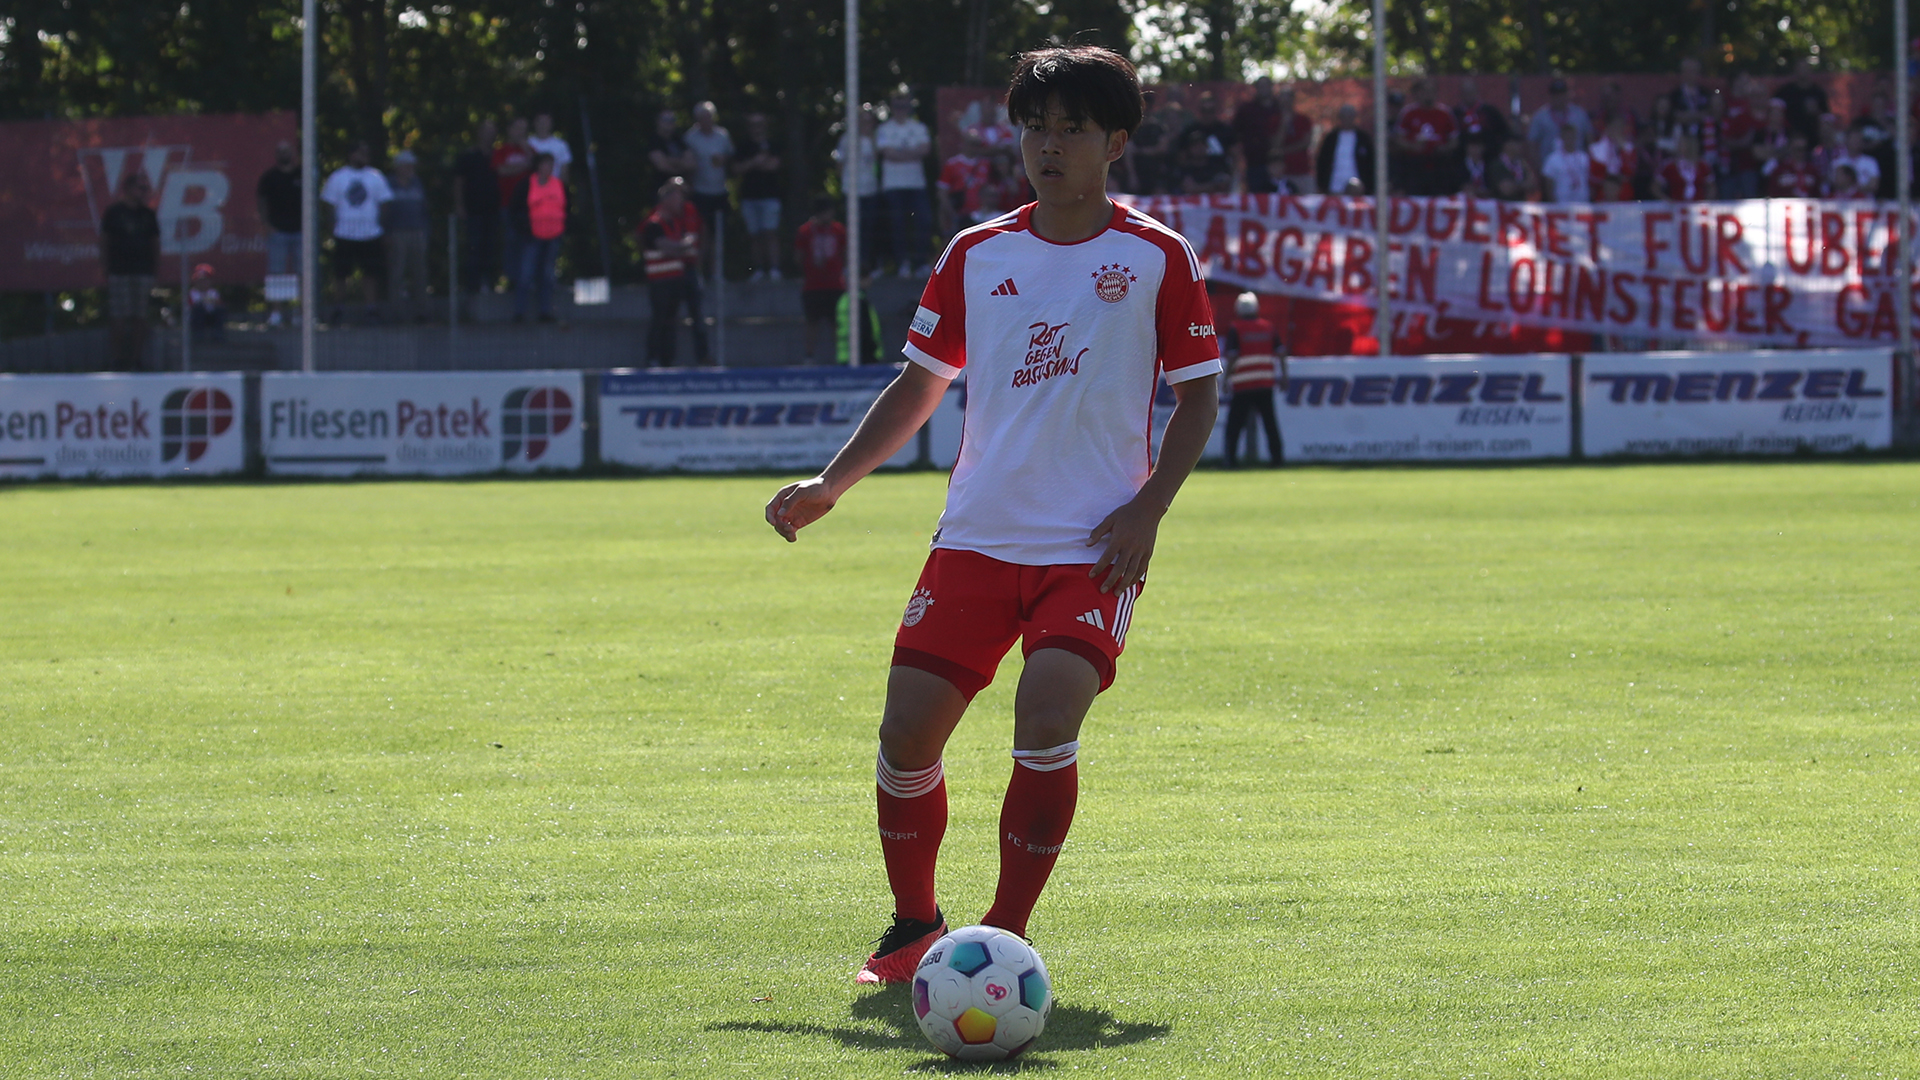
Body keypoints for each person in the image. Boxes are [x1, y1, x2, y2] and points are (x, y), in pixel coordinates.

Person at [763, 43, 1221, 984]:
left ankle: (1001, 940)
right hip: (975, 538)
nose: (1048, 147)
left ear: (1115, 144)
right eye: (1034, 129)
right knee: (905, 736)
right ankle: (912, 925)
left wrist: (1148, 511)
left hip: (1092, 547)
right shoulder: (977, 253)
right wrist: (830, 485)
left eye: (1072, 130)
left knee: (1047, 712)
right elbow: (917, 387)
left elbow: (1201, 395)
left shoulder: (1155, 257)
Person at [319, 141, 393, 323]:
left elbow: (385, 203)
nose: (364, 157)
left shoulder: (376, 176)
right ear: (351, 155)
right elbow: (329, 204)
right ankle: (338, 309)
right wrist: (333, 229)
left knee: (370, 273)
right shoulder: (338, 177)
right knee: (341, 274)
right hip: (344, 234)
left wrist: (381, 227)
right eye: (361, 153)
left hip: (371, 234)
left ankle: (371, 309)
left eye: (367, 154)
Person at [641, 178, 708, 366]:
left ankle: (667, 360)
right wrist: (684, 246)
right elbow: (666, 247)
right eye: (678, 198)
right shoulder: (654, 224)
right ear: (667, 200)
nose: (681, 203)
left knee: (671, 322)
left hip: (674, 280)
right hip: (660, 282)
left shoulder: (675, 224)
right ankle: (652, 357)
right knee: (659, 320)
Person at [100, 172, 159, 370]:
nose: (145, 193)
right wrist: (106, 267)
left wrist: (155, 270)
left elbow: (155, 243)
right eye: (141, 188)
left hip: (142, 272)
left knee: (140, 316)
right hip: (119, 271)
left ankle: (136, 360)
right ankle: (117, 360)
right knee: (118, 315)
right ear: (128, 189)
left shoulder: (148, 214)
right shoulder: (114, 212)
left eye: (146, 189)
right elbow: (104, 240)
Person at [1222, 292, 1284, 469]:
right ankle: (1277, 460)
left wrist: (1226, 379)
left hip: (1243, 385)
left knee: (1234, 426)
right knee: (1270, 424)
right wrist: (1284, 376)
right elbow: (1280, 352)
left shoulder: (1236, 328)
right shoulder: (1268, 326)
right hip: (1265, 383)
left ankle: (1230, 461)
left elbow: (1233, 356)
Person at [876, 91, 934, 277]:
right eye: (897, 106)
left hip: (916, 184)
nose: (900, 110)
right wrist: (911, 154)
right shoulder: (884, 129)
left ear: (909, 108)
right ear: (892, 108)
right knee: (897, 225)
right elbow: (886, 153)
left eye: (904, 106)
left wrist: (899, 155)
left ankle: (920, 263)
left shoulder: (918, 127)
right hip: (893, 185)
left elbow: (925, 150)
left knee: (922, 223)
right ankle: (902, 264)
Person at [511, 151, 566, 323]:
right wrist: (525, 228)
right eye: (545, 164)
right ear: (538, 166)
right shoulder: (527, 184)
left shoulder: (558, 184)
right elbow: (516, 208)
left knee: (547, 275)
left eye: (551, 164)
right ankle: (519, 312)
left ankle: (545, 312)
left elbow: (566, 207)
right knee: (525, 275)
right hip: (532, 237)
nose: (549, 168)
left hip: (553, 236)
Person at [683, 101, 734, 280]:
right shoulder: (690, 137)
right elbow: (687, 164)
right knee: (701, 234)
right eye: (703, 117)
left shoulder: (722, 135)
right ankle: (698, 273)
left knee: (718, 236)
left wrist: (723, 159)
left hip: (720, 192)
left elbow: (730, 157)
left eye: (709, 117)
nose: (707, 120)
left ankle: (717, 273)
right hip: (699, 192)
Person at [733, 112, 784, 281]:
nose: (757, 128)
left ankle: (775, 269)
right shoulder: (743, 146)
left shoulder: (774, 144)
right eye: (753, 125)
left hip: (770, 196)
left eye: (760, 124)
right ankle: (759, 269)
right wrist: (756, 162)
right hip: (749, 197)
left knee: (770, 233)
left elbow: (774, 166)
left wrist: (752, 164)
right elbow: (736, 169)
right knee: (754, 235)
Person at [255, 140, 301, 326]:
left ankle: (300, 313)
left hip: (300, 232)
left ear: (293, 153)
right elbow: (261, 201)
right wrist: (267, 224)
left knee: (302, 274)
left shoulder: (302, 175)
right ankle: (276, 313)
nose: (284, 155)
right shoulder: (269, 177)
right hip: (278, 233)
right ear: (276, 155)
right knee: (277, 273)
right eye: (280, 151)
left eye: (287, 151)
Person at [453, 120, 501, 297]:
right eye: (486, 131)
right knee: (474, 247)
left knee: (491, 247)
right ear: (479, 133)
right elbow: (459, 182)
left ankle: (489, 282)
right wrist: (459, 205)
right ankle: (472, 286)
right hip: (473, 210)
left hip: (493, 210)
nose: (490, 136)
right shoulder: (468, 156)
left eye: (493, 132)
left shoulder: (498, 156)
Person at [795, 197, 847, 362]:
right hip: (813, 284)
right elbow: (798, 256)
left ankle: (841, 356)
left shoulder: (838, 230)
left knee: (836, 323)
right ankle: (809, 356)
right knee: (812, 322)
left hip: (835, 284)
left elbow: (845, 252)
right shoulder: (805, 231)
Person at [383, 150, 431, 322]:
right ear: (398, 167)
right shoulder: (388, 184)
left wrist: (425, 231)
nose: (411, 168)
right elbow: (384, 211)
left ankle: (422, 312)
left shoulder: (417, 183)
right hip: (397, 233)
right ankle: (396, 313)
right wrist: (386, 233)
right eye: (407, 165)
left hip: (417, 232)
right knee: (397, 273)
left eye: (412, 165)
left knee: (419, 273)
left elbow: (425, 209)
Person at [834, 104, 883, 269]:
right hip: (851, 191)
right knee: (851, 230)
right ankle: (850, 265)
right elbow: (839, 165)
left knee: (869, 230)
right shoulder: (847, 139)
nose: (866, 124)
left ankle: (868, 265)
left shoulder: (877, 139)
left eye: (869, 121)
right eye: (863, 120)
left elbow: (879, 161)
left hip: (871, 191)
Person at [1393, 78, 1459, 196]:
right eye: (1425, 91)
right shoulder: (1408, 113)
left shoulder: (1445, 113)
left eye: (1431, 91)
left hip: (1439, 165)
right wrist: (1413, 146)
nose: (1428, 94)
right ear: (1418, 93)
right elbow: (1399, 139)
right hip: (1415, 165)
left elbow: (1454, 140)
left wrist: (1444, 148)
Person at [493, 118, 534, 292]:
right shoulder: (501, 151)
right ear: (509, 130)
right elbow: (501, 170)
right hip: (507, 204)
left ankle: (528, 280)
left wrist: (526, 153)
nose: (520, 133)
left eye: (524, 129)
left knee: (528, 244)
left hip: (528, 207)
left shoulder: (530, 150)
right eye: (517, 128)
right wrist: (523, 166)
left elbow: (536, 166)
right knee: (510, 242)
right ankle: (512, 280)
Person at [1231, 78, 1282, 193]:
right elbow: (1234, 133)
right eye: (1261, 86)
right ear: (1256, 89)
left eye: (1266, 85)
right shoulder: (1246, 110)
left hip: (1279, 163)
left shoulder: (1279, 108)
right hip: (1255, 162)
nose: (1264, 89)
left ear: (1272, 87)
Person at [1528, 78, 1593, 163]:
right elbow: (1532, 143)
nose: (1559, 98)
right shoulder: (1540, 116)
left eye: (1562, 94)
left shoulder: (1580, 114)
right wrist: (1539, 167)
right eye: (1556, 95)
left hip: (1577, 167)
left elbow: (1590, 139)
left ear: (1567, 94)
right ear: (1550, 96)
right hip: (1551, 169)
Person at [1315, 103, 1375, 195]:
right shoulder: (1331, 138)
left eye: (1350, 116)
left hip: (1358, 187)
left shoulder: (1363, 138)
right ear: (1340, 118)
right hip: (1334, 185)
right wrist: (1321, 184)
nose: (1347, 119)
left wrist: (1370, 185)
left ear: (1354, 118)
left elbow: (1371, 162)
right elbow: (1322, 161)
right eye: (1344, 117)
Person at [1455, 77, 1510, 162]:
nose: (1468, 95)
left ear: (1477, 92)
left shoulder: (1490, 111)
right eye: (1465, 92)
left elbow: (1504, 132)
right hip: (1461, 160)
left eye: (1471, 92)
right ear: (1461, 94)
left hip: (1489, 158)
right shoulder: (1455, 113)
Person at [1776, 58, 1829, 145]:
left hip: (1813, 138)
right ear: (1795, 70)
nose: (1802, 71)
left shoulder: (1818, 92)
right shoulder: (1785, 92)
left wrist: (1816, 111)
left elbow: (1825, 117)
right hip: (1789, 138)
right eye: (1800, 68)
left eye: (1805, 68)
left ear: (1810, 70)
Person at [835, 273, 885, 366]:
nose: (870, 281)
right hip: (862, 356)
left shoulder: (843, 300)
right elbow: (864, 328)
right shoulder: (859, 301)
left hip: (844, 354)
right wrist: (872, 350)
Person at [1588, 118, 1640, 202]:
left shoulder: (1629, 148)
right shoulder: (1595, 148)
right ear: (1608, 128)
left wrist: (1623, 150)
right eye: (1614, 127)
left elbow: (1631, 172)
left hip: (1624, 193)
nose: (1617, 130)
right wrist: (1609, 180)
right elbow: (1593, 176)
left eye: (1620, 127)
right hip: (1603, 192)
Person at [1541, 123, 1592, 203]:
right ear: (1562, 137)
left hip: (1582, 202)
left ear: (1576, 137)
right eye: (1567, 136)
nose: (1569, 139)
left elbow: (1589, 179)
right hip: (1561, 203)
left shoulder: (1584, 157)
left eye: (1572, 136)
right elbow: (1548, 183)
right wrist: (1552, 202)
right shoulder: (1552, 159)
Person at [1655, 133, 1714, 201]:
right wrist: (1668, 200)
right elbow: (1655, 188)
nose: (1680, 146)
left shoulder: (1703, 165)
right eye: (1679, 144)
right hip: (1676, 208)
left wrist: (1706, 202)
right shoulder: (1669, 165)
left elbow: (1712, 188)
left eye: (1683, 144)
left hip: (1698, 207)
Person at [647, 108, 695, 192]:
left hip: (681, 191)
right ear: (658, 121)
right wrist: (681, 165)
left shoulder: (679, 140)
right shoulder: (654, 141)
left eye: (672, 120)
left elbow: (691, 163)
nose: (669, 123)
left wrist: (670, 161)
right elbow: (662, 166)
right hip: (661, 190)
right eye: (666, 120)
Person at [527, 112, 572, 185]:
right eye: (540, 121)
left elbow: (564, 170)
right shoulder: (528, 144)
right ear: (534, 123)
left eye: (546, 121)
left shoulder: (561, 145)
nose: (543, 125)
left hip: (554, 187)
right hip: (533, 187)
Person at [1489, 136, 1536, 201]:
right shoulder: (1498, 165)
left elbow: (1532, 185)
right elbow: (1506, 190)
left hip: (1521, 205)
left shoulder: (1523, 164)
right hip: (1503, 206)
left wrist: (1515, 185)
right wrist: (1524, 185)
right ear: (1507, 145)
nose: (1520, 147)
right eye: (1516, 144)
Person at [187, 263, 226, 342]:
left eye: (205, 280)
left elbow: (220, 305)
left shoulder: (213, 292)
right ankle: (198, 336)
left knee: (220, 310)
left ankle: (218, 334)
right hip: (196, 320)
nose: (203, 283)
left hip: (210, 318)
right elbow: (190, 307)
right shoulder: (192, 293)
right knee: (198, 309)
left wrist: (214, 301)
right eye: (200, 280)